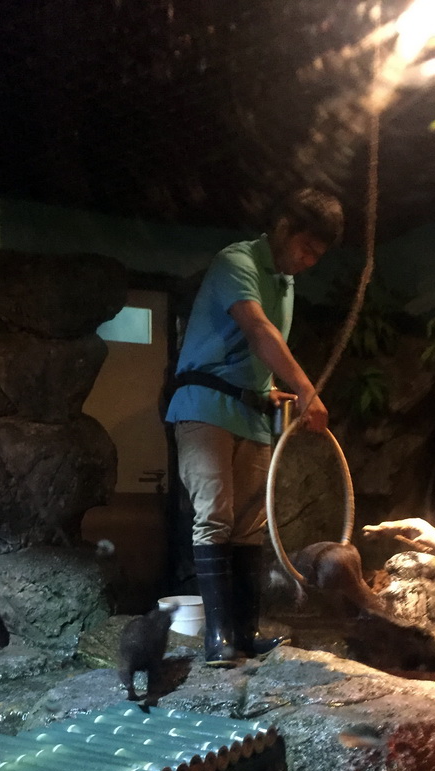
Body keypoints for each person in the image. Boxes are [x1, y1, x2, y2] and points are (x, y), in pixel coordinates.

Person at [165, 187, 344, 667]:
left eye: (317, 255)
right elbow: (259, 330)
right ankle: (218, 636)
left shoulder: (286, 283)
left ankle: (247, 630)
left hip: (251, 412)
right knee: (216, 516)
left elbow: (256, 357)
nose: (308, 261)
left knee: (249, 523)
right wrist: (307, 389)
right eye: (306, 247)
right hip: (203, 406)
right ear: (284, 229)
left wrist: (271, 391)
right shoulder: (235, 262)